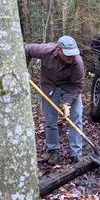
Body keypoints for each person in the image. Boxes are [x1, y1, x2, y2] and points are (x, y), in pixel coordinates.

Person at [25, 36, 85, 164]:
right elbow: (27, 49)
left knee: (76, 117)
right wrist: (23, 70)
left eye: (73, 54)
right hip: (50, 87)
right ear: (59, 50)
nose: (71, 57)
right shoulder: (46, 50)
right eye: (68, 55)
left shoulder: (77, 62)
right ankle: (53, 150)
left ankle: (76, 153)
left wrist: (67, 104)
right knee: (50, 120)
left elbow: (77, 86)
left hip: (70, 88)